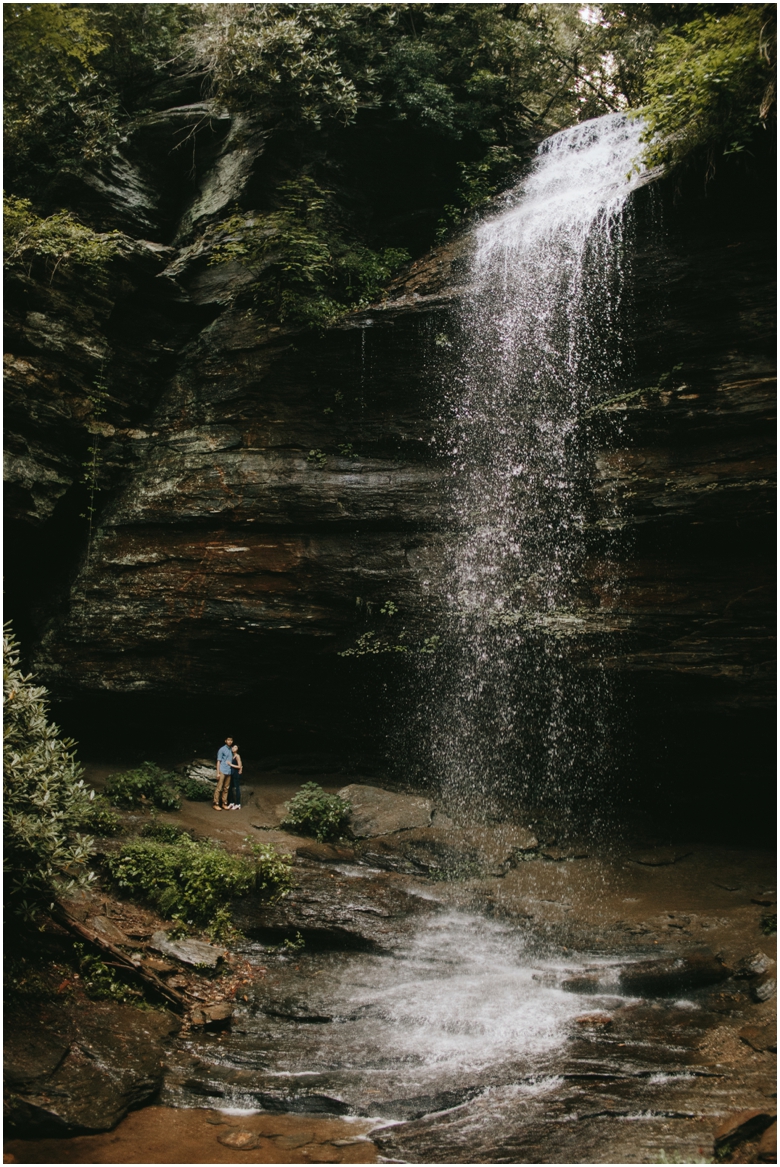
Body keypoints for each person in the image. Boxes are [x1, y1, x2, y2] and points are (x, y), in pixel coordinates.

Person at [214, 736, 234, 811]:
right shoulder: (222, 749)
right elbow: (218, 761)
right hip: (222, 770)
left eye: (231, 740)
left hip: (229, 771)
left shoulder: (231, 750)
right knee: (219, 787)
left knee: (226, 788)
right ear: (225, 740)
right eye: (228, 740)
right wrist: (218, 773)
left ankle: (224, 803)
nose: (230, 741)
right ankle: (215, 803)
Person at [227, 743, 243, 810]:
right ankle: (231, 802)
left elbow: (239, 766)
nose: (233, 748)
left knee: (237, 788)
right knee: (230, 787)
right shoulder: (232, 755)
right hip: (231, 773)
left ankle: (238, 804)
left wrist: (231, 764)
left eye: (235, 747)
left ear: (238, 749)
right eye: (233, 747)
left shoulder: (237, 756)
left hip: (236, 773)